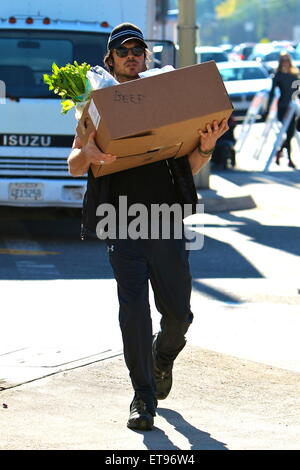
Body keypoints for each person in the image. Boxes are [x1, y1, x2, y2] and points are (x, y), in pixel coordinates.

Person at [68, 23, 229, 431]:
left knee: (179, 316)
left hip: (166, 221)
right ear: (110, 59)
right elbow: (73, 164)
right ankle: (142, 397)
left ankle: (162, 357)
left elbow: (188, 165)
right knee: (133, 312)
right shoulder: (93, 108)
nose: (132, 55)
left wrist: (206, 145)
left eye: (138, 49)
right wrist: (87, 151)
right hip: (122, 222)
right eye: (123, 51)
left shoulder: (166, 102)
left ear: (146, 57)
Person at [265, 52, 299, 168]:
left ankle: (279, 152)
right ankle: (289, 159)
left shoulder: (294, 75)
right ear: (280, 62)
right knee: (287, 132)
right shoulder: (278, 75)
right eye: (283, 60)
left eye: (287, 60)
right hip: (282, 108)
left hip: (292, 107)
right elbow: (271, 93)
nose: (285, 62)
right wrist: (267, 109)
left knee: (290, 134)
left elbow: (298, 93)